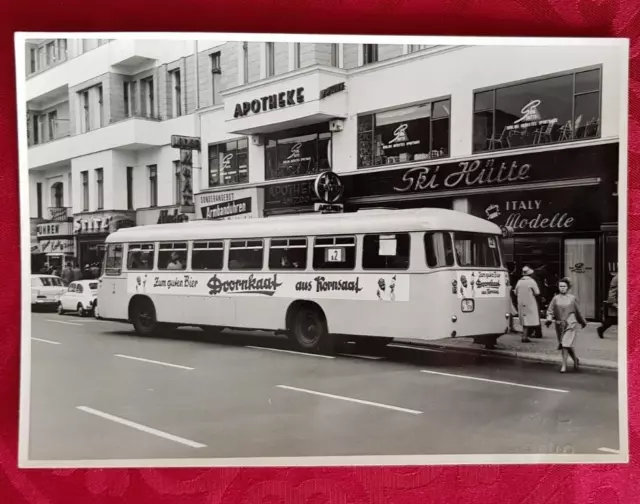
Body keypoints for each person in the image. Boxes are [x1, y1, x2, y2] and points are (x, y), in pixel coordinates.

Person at [546, 277, 587, 373]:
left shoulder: (572, 298)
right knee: (566, 344)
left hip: (570, 323)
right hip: (559, 324)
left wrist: (582, 322)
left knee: (565, 344)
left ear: (568, 287)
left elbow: (578, 312)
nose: (562, 288)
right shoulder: (555, 298)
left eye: (564, 286)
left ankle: (564, 365)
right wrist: (549, 319)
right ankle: (575, 359)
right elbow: (550, 310)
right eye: (560, 286)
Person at [514, 266, 540, 343]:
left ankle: (525, 335)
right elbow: (537, 292)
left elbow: (515, 292)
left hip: (521, 302)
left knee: (524, 320)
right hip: (530, 302)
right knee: (530, 319)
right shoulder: (532, 281)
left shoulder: (519, 281)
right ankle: (525, 336)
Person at [598, 273, 618, 338]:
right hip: (617, 301)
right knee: (613, 319)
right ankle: (601, 329)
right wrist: (613, 303)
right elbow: (612, 291)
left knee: (614, 319)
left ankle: (601, 329)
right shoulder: (616, 278)